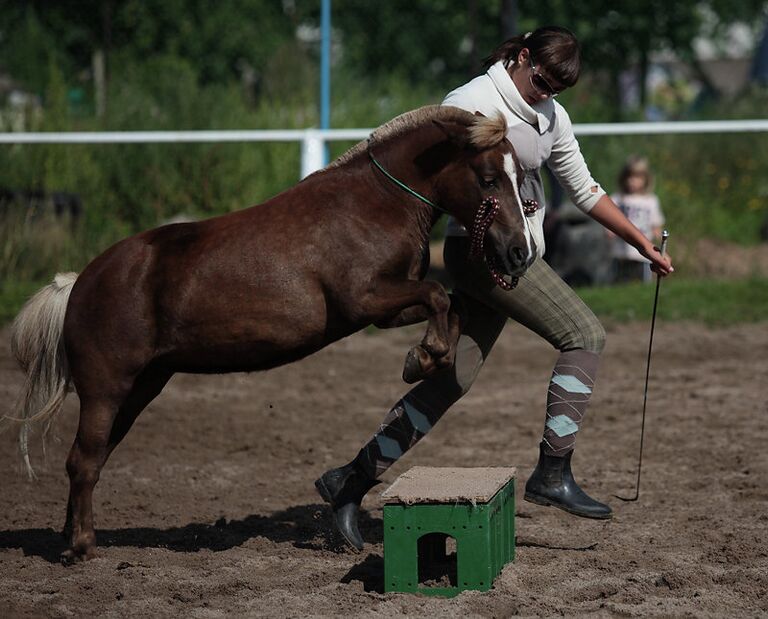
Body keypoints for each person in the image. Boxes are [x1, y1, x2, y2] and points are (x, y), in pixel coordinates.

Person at [315, 26, 674, 550]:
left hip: (515, 254)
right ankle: (552, 472)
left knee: (451, 380)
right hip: (486, 255)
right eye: (542, 80)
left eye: (558, 88)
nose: (547, 93)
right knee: (584, 335)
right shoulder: (470, 104)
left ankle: (350, 481)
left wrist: (642, 244)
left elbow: (586, 189)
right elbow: (427, 184)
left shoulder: (551, 116)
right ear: (522, 57)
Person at [610, 156, 665, 283]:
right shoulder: (618, 198)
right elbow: (610, 217)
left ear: (646, 179)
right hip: (621, 250)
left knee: (643, 280)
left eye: (637, 177)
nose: (632, 181)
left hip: (643, 252)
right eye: (629, 176)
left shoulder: (650, 200)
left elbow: (656, 223)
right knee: (619, 281)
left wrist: (658, 234)